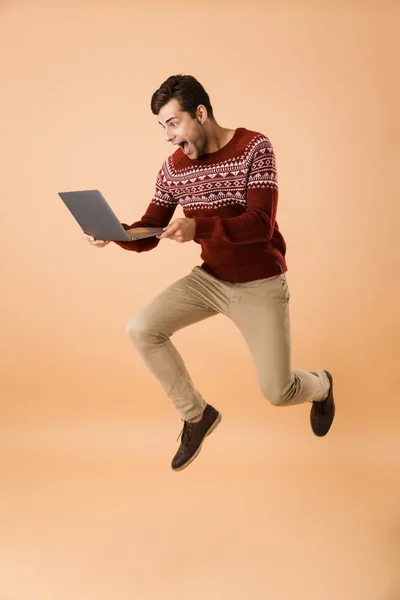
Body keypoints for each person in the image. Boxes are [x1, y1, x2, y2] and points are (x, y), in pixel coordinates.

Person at [82, 74, 335, 472]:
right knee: (142, 328)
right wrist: (114, 234)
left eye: (173, 123)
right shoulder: (172, 169)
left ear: (200, 113)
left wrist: (199, 227)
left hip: (261, 281)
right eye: (162, 126)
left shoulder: (255, 147)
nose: (168, 136)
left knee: (278, 391)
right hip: (211, 279)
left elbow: (260, 223)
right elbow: (150, 230)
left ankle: (321, 384)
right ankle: (197, 415)